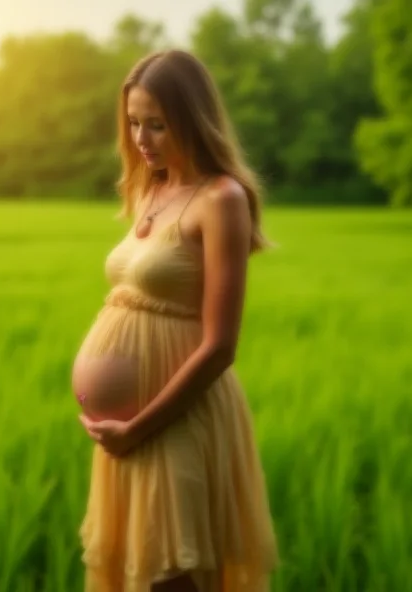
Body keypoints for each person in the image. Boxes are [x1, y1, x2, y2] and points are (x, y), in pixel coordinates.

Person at [72, 49, 279, 591]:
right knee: (136, 574)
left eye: (157, 125)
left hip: (176, 418)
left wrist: (137, 427)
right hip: (127, 433)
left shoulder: (221, 199)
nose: (142, 138)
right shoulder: (150, 189)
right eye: (134, 123)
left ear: (193, 119)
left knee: (172, 577)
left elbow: (220, 346)